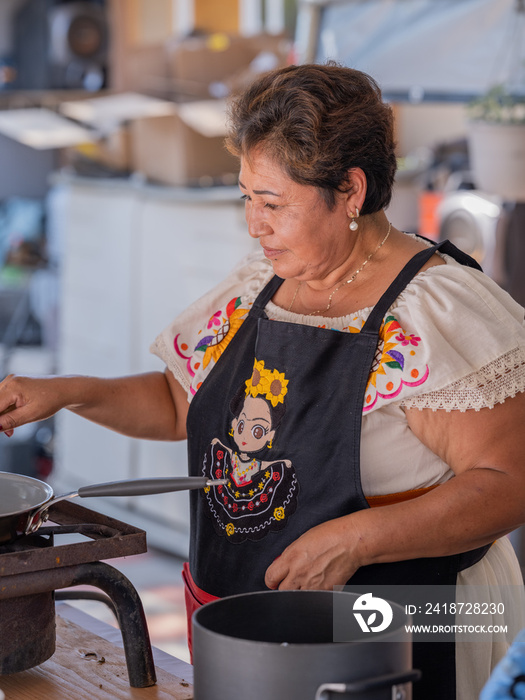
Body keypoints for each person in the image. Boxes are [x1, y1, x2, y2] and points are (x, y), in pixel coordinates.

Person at [1, 63, 525, 699]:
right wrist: (65, 392)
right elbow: (178, 400)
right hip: (265, 624)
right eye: (247, 197)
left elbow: (508, 484)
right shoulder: (263, 286)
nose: (254, 224)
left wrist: (358, 539)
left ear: (351, 190)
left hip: (412, 620)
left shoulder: (432, 314)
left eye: (273, 203)